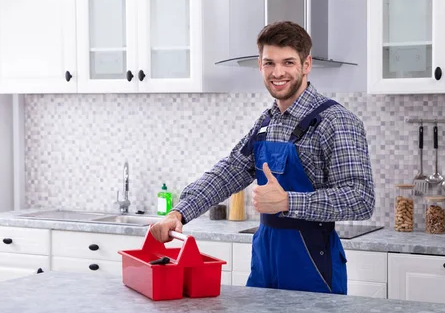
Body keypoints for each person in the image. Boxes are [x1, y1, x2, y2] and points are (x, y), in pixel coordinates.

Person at [150, 21, 375, 294]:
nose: (278, 72)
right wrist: (180, 212)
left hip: (314, 269)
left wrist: (288, 201)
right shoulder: (267, 122)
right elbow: (231, 170)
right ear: (260, 65)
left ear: (306, 65)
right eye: (269, 63)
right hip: (265, 264)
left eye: (288, 62)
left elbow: (361, 199)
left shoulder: (335, 121)